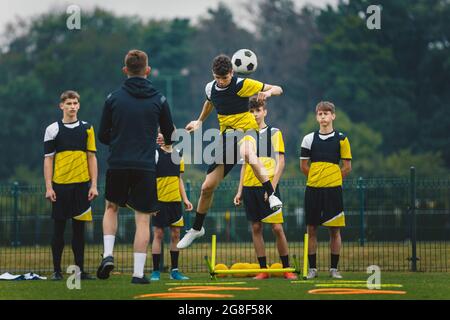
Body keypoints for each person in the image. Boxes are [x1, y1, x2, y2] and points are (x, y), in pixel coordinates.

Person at [177, 54, 284, 249]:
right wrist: (199, 121)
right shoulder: (210, 87)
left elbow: (278, 88)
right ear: (213, 75)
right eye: (218, 78)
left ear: (232, 73)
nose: (221, 81)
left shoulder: (243, 84)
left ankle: (272, 194)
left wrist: (268, 93)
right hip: (227, 137)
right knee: (206, 187)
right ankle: (197, 228)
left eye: (225, 78)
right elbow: (209, 102)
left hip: (248, 131)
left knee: (247, 153)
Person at [96, 49, 175, 284]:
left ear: (125, 71)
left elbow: (102, 135)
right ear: (147, 71)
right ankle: (138, 274)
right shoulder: (159, 99)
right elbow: (170, 134)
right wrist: (161, 140)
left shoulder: (112, 98)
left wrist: (120, 141)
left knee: (111, 208)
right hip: (145, 165)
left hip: (118, 162)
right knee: (143, 219)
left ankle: (108, 254)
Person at [234, 97, 297, 280]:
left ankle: (286, 269)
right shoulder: (246, 135)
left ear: (265, 111)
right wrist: (239, 191)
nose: (255, 114)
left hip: (269, 188)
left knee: (277, 228)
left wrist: (272, 190)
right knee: (256, 227)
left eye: (258, 110)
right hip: (249, 187)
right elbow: (245, 166)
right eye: (252, 111)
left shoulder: (275, 132)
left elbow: (281, 162)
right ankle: (263, 270)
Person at [43, 90, 98, 281]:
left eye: (75, 103)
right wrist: (49, 187)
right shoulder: (52, 129)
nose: (72, 107)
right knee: (58, 230)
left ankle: (79, 271)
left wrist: (94, 185)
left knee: (79, 232)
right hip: (60, 186)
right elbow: (48, 160)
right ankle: (56, 271)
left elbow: (92, 157)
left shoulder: (88, 128)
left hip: (82, 187)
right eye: (69, 104)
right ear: (61, 106)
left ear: (79, 106)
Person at [299, 101, 352, 279]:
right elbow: (304, 166)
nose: (323, 117)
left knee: (334, 230)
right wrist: (317, 178)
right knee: (311, 229)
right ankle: (312, 269)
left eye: (326, 113)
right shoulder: (308, 139)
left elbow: (347, 167)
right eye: (320, 114)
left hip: (333, 191)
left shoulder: (342, 139)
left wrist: (333, 179)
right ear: (317, 117)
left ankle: (334, 269)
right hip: (313, 190)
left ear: (333, 116)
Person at [150, 133, 193, 281]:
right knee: (158, 235)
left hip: (175, 202)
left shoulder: (178, 155)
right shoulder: (155, 154)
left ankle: (174, 271)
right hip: (159, 202)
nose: (162, 138)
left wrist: (185, 199)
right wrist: (152, 203)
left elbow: (179, 179)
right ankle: (155, 271)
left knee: (176, 235)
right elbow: (149, 180)